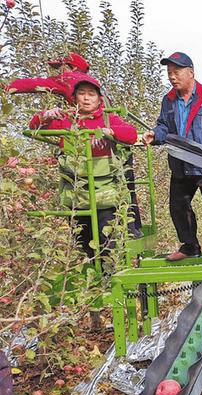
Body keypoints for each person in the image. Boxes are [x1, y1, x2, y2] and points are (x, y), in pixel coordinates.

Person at [29, 75, 138, 258]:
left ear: (99, 99)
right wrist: (44, 116)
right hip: (77, 193)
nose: (86, 98)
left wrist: (110, 132)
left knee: (107, 241)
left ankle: (108, 277)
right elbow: (34, 128)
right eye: (81, 94)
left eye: (91, 94)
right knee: (83, 242)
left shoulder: (108, 120)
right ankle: (95, 280)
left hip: (105, 193)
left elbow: (131, 134)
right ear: (75, 98)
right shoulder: (67, 120)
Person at [142, 52, 202, 261]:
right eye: (169, 73)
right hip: (180, 162)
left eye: (177, 72)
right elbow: (164, 126)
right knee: (178, 206)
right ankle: (190, 246)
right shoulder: (169, 100)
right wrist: (155, 135)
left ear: (191, 72)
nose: (172, 77)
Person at [7, 52, 90, 103]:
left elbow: (34, 84)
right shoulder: (92, 82)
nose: (60, 72)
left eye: (61, 67)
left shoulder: (69, 79)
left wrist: (8, 87)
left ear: (74, 67)